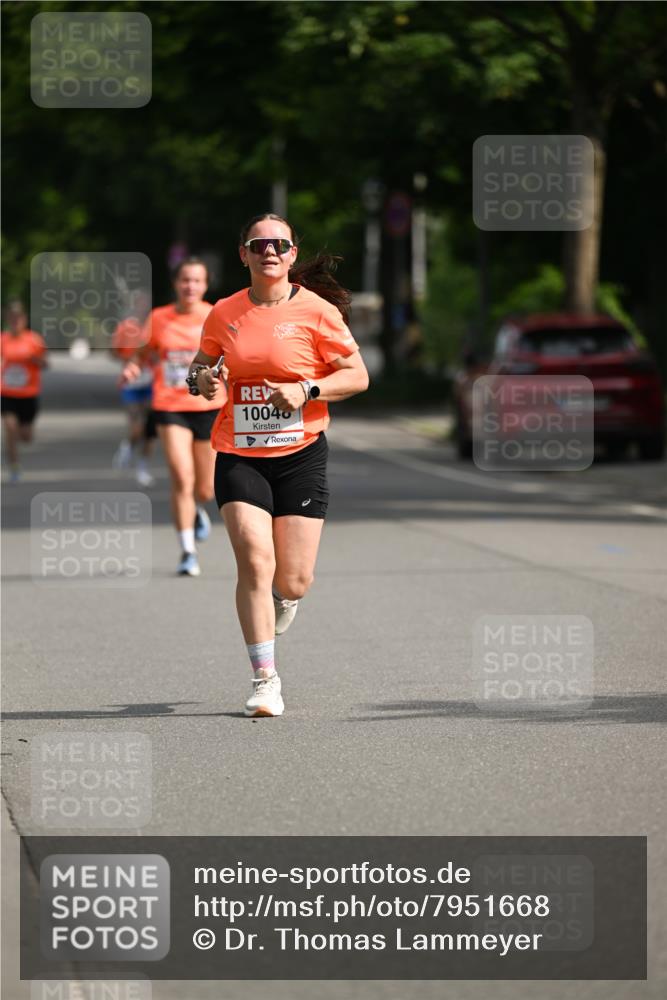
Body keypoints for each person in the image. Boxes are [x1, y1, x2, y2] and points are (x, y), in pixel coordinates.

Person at [187, 214, 369, 717]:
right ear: (243, 254)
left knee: (292, 580)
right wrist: (203, 382)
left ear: (292, 255)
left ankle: (284, 600)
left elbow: (357, 375)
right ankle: (265, 679)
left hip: (301, 454)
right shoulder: (224, 312)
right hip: (238, 451)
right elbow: (200, 366)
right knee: (253, 560)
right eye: (259, 244)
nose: (270, 251)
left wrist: (306, 389)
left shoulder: (318, 312)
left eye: (280, 245)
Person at [122, 258, 222, 576]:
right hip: (170, 405)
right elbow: (143, 353)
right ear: (175, 284)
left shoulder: (216, 315)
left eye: (196, 281)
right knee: (181, 476)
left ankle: (198, 510)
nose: (189, 286)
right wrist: (133, 367)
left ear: (205, 286)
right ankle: (188, 551)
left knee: (205, 488)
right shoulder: (159, 318)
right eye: (184, 280)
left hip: (209, 406)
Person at [110, 289, 156, 486]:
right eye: (138, 302)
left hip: (152, 381)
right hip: (131, 383)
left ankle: (143, 466)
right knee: (137, 427)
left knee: (150, 428)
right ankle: (127, 447)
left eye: (144, 302)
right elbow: (113, 353)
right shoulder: (124, 328)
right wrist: (128, 359)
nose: (141, 306)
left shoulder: (155, 325)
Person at [1, 300, 48, 482]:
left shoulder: (33, 340)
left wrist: (35, 360)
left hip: (28, 394)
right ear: (7, 319)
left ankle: (13, 447)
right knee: (10, 428)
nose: (15, 321)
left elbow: (45, 363)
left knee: (26, 437)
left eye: (18, 317)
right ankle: (14, 465)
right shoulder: (2, 340)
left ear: (24, 319)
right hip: (6, 392)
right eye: (11, 318)